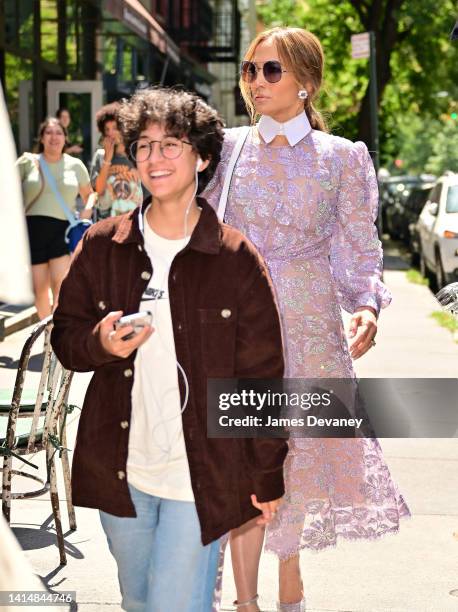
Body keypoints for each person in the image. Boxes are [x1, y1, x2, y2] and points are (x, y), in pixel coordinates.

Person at [51, 87, 288, 612]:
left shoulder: (235, 258)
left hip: (202, 474)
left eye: (170, 145)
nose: (154, 159)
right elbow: (65, 338)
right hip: (121, 473)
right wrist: (102, 343)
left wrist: (265, 471)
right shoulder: (102, 244)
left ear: (202, 156)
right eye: (143, 147)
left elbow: (263, 377)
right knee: (140, 602)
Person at [203, 26, 411, 612]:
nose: (255, 82)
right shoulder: (227, 147)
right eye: (249, 69)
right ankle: (235, 595)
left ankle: (288, 582)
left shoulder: (342, 158)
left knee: (291, 454)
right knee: (236, 448)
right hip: (236, 321)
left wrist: (366, 306)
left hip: (309, 327)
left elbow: (358, 248)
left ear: (307, 84)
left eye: (272, 71)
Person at [17, 117, 93, 319]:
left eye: (59, 132)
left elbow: (90, 194)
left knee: (60, 287)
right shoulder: (27, 162)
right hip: (32, 232)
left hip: (63, 232)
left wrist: (88, 209)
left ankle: (56, 333)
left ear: (65, 138)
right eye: (49, 132)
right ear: (41, 138)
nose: (54, 137)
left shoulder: (75, 165)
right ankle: (47, 332)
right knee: (39, 290)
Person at [90, 102, 143, 218]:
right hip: (107, 220)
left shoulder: (137, 154)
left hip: (134, 219)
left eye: (115, 128)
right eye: (107, 130)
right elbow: (98, 191)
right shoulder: (100, 156)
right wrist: (107, 160)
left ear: (124, 128)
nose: (111, 133)